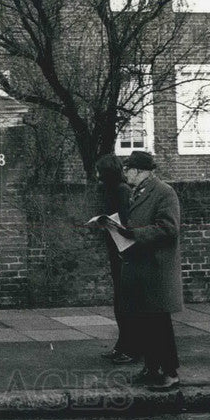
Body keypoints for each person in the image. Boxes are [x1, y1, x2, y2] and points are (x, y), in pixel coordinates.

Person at [118, 150, 184, 390]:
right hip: (141, 265)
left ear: (138, 171)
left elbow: (169, 228)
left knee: (159, 322)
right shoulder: (139, 191)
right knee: (145, 320)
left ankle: (170, 372)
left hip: (156, 267)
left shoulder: (164, 192)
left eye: (127, 169)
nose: (125, 174)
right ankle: (151, 367)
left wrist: (134, 234)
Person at [94, 154, 139, 365]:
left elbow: (127, 220)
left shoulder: (122, 190)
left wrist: (111, 223)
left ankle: (130, 347)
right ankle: (122, 345)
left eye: (100, 171)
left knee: (126, 300)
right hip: (115, 247)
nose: (97, 175)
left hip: (124, 249)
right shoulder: (109, 190)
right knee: (119, 300)